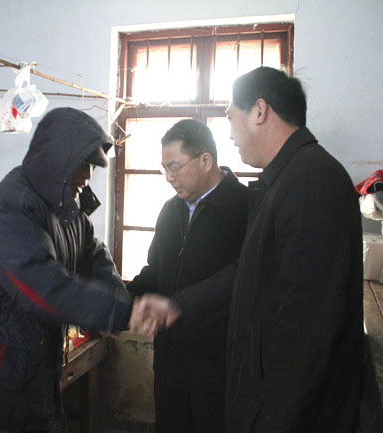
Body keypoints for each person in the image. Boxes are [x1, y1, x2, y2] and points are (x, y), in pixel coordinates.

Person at [0, 107, 154, 432]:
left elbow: (93, 255)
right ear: (58, 162)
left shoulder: (64, 205)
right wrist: (120, 312)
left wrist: (117, 299)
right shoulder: (9, 209)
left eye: (91, 166)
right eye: (83, 164)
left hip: (31, 359)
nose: (88, 176)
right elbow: (42, 286)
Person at [223, 66, 364, 432]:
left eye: (230, 116)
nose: (230, 133)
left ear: (259, 111)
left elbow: (306, 329)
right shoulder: (287, 179)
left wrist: (271, 422)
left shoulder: (311, 181)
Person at [127, 119, 249, 433]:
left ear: (205, 160)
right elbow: (155, 271)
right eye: (164, 169)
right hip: (170, 361)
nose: (169, 177)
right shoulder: (172, 211)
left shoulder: (245, 208)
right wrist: (120, 302)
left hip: (218, 366)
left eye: (175, 167)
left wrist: (179, 305)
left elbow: (241, 280)